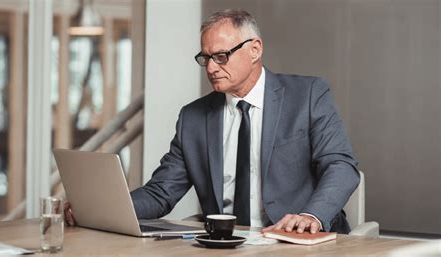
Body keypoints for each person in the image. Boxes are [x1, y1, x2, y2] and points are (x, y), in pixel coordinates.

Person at [66, 9, 360, 234]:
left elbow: (341, 166)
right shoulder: (193, 117)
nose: (211, 68)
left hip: (295, 243)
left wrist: (311, 216)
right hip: (225, 243)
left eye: (221, 56)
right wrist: (101, 209)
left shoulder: (307, 95)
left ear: (255, 50)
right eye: (205, 58)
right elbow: (161, 193)